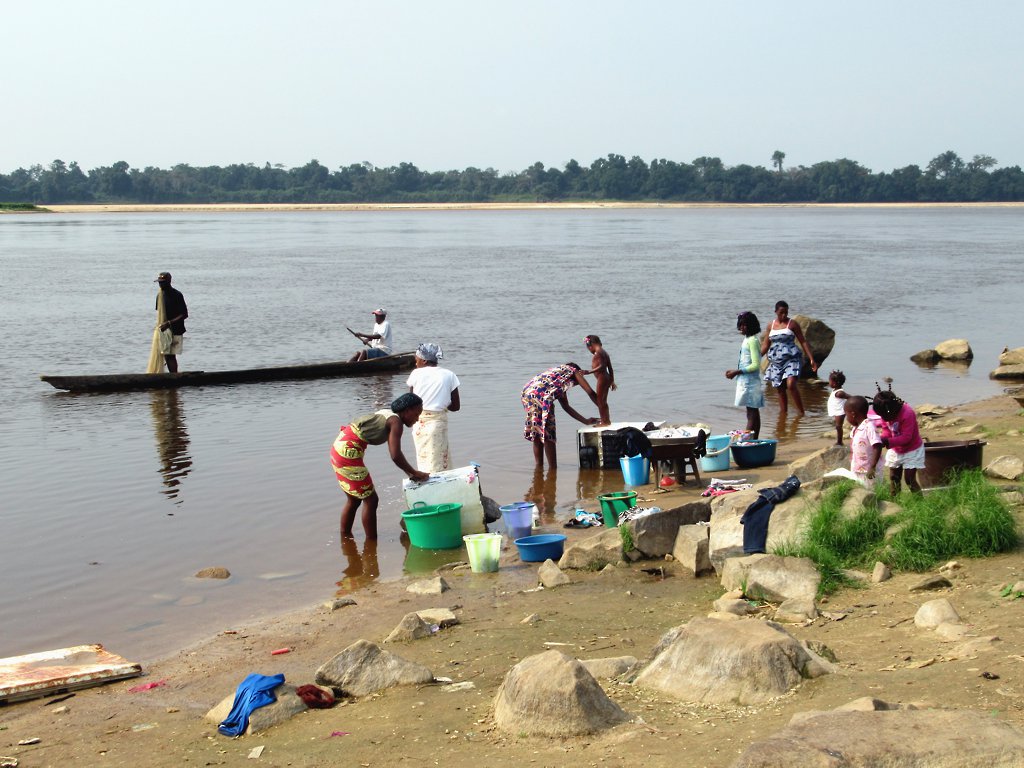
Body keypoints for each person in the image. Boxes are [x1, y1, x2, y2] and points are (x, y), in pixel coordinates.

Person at [329, 393, 430, 539]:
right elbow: (395, 455)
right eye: (416, 414)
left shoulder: (389, 415)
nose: (417, 419)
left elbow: (395, 454)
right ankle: (371, 543)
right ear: (407, 411)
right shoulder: (396, 423)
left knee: (354, 499)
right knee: (371, 500)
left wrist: (411, 473)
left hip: (339, 448)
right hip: (347, 454)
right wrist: (414, 472)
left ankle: (345, 538)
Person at [521, 363, 599, 468]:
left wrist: (585, 421)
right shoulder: (573, 371)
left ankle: (538, 468)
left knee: (537, 431)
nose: (576, 384)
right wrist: (603, 407)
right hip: (541, 394)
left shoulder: (557, 381)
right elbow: (590, 392)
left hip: (527, 392)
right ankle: (553, 469)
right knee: (548, 433)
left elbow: (566, 407)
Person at [406, 342, 461, 472]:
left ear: (424, 360)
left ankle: (428, 488)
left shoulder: (415, 374)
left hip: (419, 423)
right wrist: (442, 404)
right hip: (438, 424)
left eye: (417, 359)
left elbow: (410, 400)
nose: (415, 362)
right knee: (441, 460)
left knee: (424, 461)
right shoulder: (449, 375)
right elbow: (456, 407)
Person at [762, 300, 817, 415]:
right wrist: (756, 358)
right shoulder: (770, 326)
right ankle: (783, 415)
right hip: (776, 361)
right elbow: (766, 345)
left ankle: (801, 413)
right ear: (776, 311)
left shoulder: (792, 324)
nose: (784, 315)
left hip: (791, 358)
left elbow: (803, 341)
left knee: (791, 384)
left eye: (786, 312)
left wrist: (811, 358)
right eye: (781, 312)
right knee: (780, 389)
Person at [873, 386, 924, 496]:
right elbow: (886, 430)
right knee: (893, 477)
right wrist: (883, 438)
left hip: (912, 449)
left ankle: (920, 503)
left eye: (884, 416)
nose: (883, 419)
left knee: (909, 479)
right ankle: (895, 501)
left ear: (893, 410)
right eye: (881, 416)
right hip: (896, 449)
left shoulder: (907, 413)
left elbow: (907, 437)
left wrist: (888, 442)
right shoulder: (885, 413)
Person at [725, 311, 764, 439]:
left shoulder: (752, 341)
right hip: (748, 381)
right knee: (753, 412)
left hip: (750, 383)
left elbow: (756, 365)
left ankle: (747, 440)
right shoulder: (747, 340)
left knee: (751, 414)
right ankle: (754, 440)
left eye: (744, 325)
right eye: (740, 325)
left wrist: (737, 371)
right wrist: (735, 371)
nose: (741, 328)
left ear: (751, 325)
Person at [150, 272, 188, 374]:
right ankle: (173, 379)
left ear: (169, 281)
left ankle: (174, 378)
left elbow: (184, 314)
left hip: (176, 329)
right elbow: (160, 314)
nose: (161, 285)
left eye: (163, 282)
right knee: (167, 355)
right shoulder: (160, 296)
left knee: (171, 355)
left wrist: (169, 323)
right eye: (159, 282)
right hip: (164, 330)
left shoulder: (177, 295)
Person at [844, 395, 884, 487]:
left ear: (853, 414)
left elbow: (877, 446)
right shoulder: (855, 428)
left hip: (869, 470)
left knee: (873, 491)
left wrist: (872, 467)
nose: (846, 418)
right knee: (861, 490)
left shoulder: (869, 427)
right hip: (857, 468)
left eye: (847, 415)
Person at [582, 334, 616, 426]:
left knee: (600, 401)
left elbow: (602, 366)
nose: (590, 351)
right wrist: (612, 381)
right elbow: (610, 368)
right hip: (607, 378)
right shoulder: (604, 352)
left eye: (589, 349)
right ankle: (606, 420)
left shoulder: (598, 353)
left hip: (602, 378)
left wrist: (588, 371)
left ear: (591, 345)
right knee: (603, 401)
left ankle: (604, 422)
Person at [827, 370, 849, 445]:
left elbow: (849, 397)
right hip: (837, 411)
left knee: (838, 426)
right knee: (837, 426)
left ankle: (839, 442)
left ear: (835, 383)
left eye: (830, 381)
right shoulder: (835, 390)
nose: (829, 383)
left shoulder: (839, 393)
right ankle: (839, 441)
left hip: (840, 412)